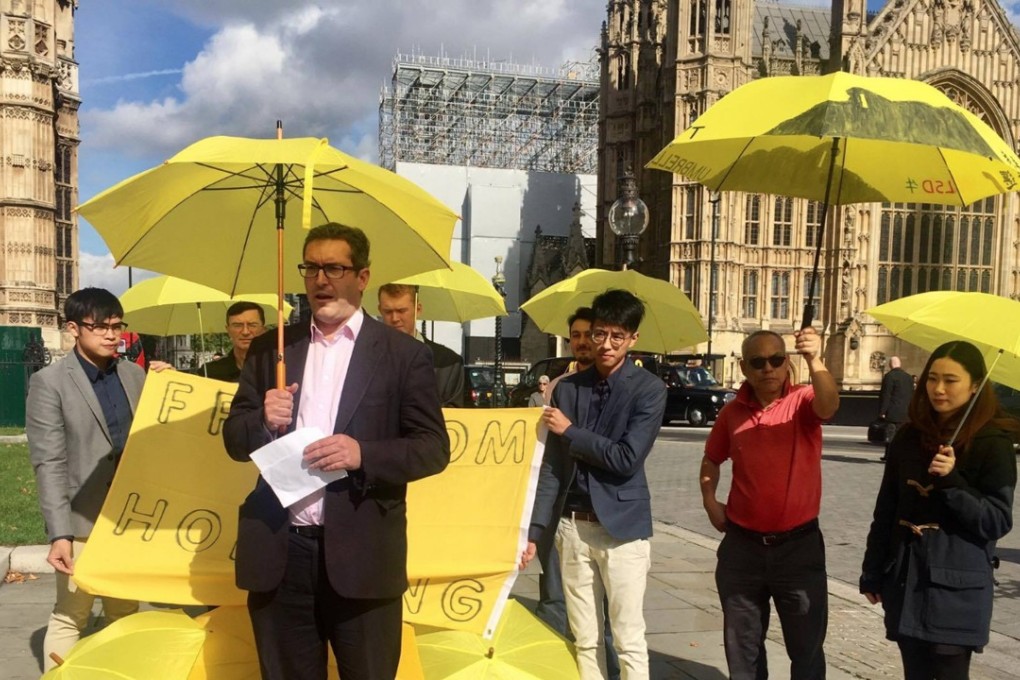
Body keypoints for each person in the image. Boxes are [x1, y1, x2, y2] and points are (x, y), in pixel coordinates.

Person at [223, 223, 451, 680]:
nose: (320, 280)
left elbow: (432, 448)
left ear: (362, 277)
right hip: (281, 555)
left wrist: (362, 454)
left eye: (334, 268)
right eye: (311, 268)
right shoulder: (272, 348)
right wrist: (262, 419)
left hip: (364, 557)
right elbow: (234, 440)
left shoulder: (403, 354)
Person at [521, 289, 666, 680]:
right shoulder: (568, 389)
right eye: (600, 333)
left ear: (633, 339)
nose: (606, 344)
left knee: (627, 638)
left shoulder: (649, 390)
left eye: (617, 336)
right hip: (572, 527)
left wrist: (571, 431)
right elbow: (553, 467)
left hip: (622, 528)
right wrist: (535, 530)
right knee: (585, 638)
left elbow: (626, 458)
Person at [860, 341, 1019, 680]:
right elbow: (886, 510)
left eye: (951, 380)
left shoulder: (993, 443)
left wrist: (952, 482)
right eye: (932, 378)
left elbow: (996, 520)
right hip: (906, 581)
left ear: (975, 385)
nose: (939, 389)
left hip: (956, 590)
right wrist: (873, 570)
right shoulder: (908, 437)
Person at [26, 288, 162, 669]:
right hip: (81, 521)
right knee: (71, 614)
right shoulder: (49, 382)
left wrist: (165, 386)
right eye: (100, 326)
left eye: (117, 326)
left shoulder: (135, 375)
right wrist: (60, 534)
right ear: (73, 328)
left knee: (125, 613)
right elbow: (49, 463)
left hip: (127, 517)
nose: (111, 334)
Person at [700, 327, 840, 680]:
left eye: (776, 360)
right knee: (743, 649)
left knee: (806, 649)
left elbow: (829, 404)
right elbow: (711, 460)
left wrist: (814, 358)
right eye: (758, 362)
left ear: (787, 363)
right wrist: (709, 500)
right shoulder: (731, 413)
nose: (768, 369)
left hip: (798, 549)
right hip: (742, 549)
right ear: (744, 367)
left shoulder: (803, 401)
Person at [377, 283, 465, 407]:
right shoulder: (366, 359)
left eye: (401, 311)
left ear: (418, 310)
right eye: (388, 312)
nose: (395, 318)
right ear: (380, 310)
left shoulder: (449, 364)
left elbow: (455, 415)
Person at [198, 301, 267, 382]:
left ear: (263, 330)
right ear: (228, 330)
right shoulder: (209, 373)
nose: (245, 332)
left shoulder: (277, 370)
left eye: (252, 325)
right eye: (237, 325)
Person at [878, 355, 914, 461]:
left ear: (890, 364)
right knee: (901, 435)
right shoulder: (908, 377)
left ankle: (889, 455)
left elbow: (886, 395)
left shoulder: (889, 376)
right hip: (906, 412)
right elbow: (912, 394)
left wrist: (882, 411)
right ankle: (900, 455)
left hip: (893, 412)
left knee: (890, 434)